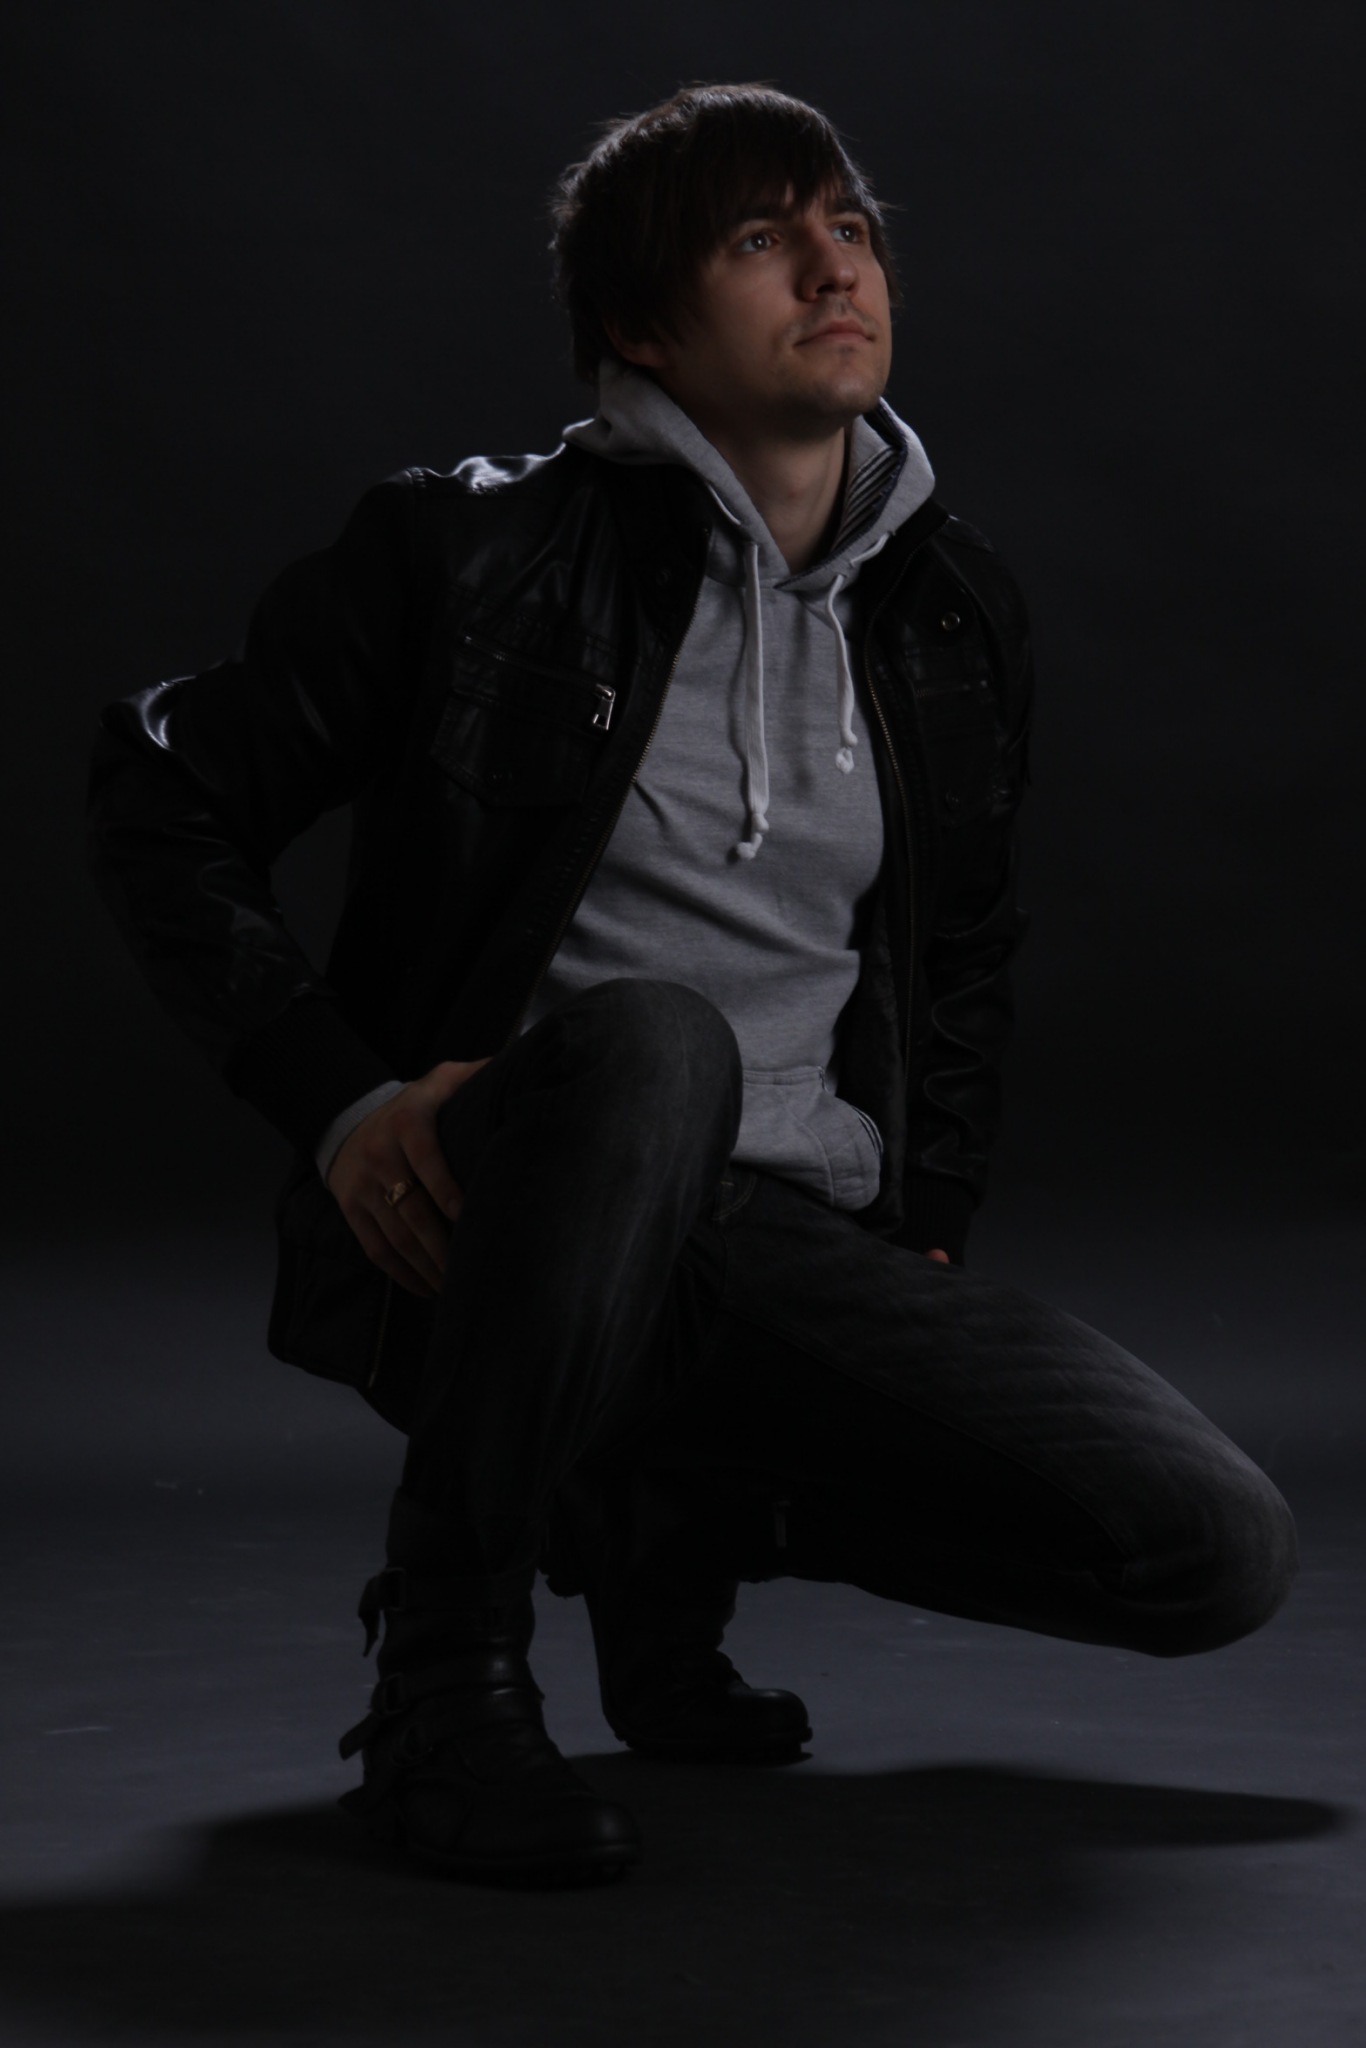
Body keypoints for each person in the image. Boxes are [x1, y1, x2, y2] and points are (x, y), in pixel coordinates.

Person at [87, 83, 1297, 1890]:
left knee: (1210, 1551)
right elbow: (158, 789)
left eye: (847, 227)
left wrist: (921, 1227)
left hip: (784, 1233)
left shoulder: (950, 611)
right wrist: (341, 1105)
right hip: (500, 1203)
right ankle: (440, 1689)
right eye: (757, 238)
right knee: (660, 1046)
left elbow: (961, 953)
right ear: (641, 329)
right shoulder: (468, 556)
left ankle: (665, 1515)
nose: (831, 266)